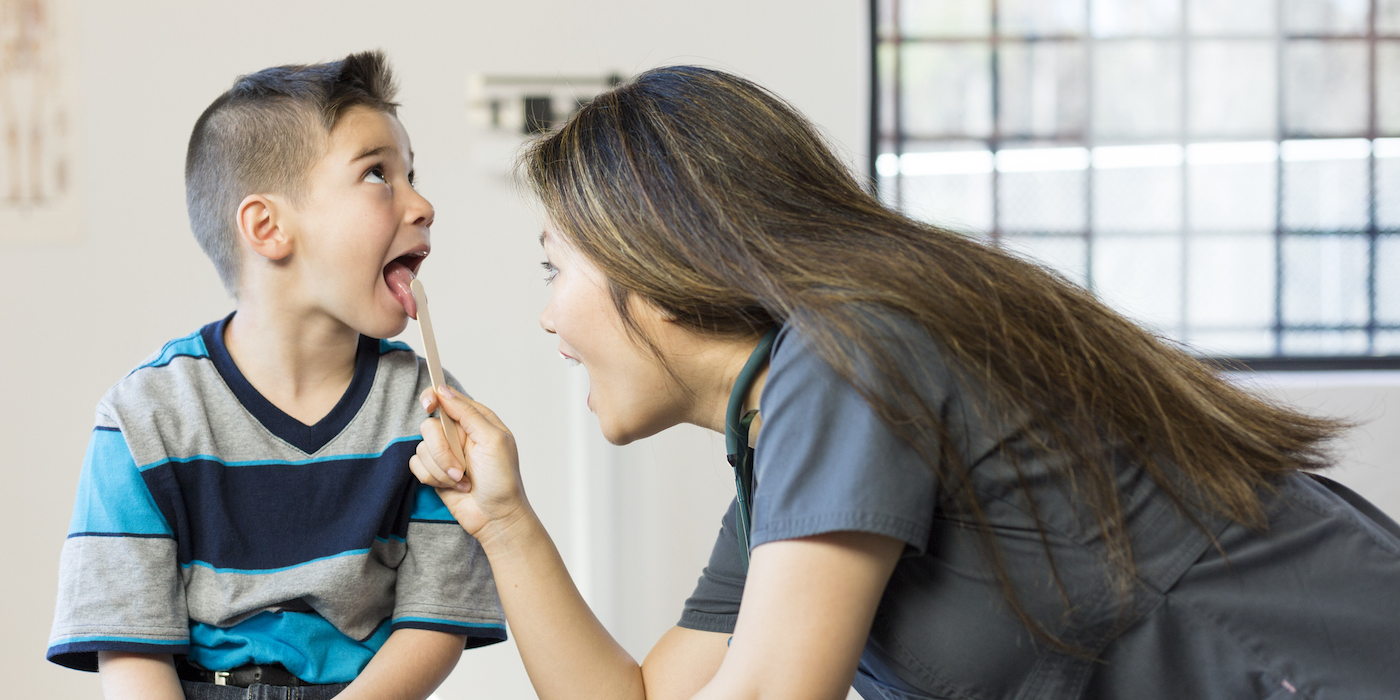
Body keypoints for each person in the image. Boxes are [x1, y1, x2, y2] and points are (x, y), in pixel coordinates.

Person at [407, 66, 1400, 699]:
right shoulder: (786, 453)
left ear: (656, 259)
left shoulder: (846, 357)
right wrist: (503, 521)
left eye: (555, 267)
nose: (547, 318)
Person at [47, 51, 505, 700]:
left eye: (412, 175)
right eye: (379, 174)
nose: (422, 204)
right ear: (268, 227)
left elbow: (435, 624)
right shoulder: (145, 417)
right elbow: (128, 644)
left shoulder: (425, 408)